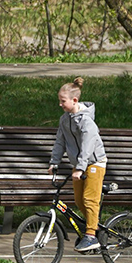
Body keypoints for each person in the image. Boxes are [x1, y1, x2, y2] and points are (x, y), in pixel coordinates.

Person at [47, 77, 107, 252]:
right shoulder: (65, 120)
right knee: (79, 200)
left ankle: (90, 235)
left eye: (62, 101)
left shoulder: (86, 121)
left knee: (90, 199)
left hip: (95, 162)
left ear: (74, 100)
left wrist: (81, 167)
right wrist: (54, 162)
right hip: (79, 165)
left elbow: (88, 146)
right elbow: (60, 142)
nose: (60, 104)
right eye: (59, 100)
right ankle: (93, 228)